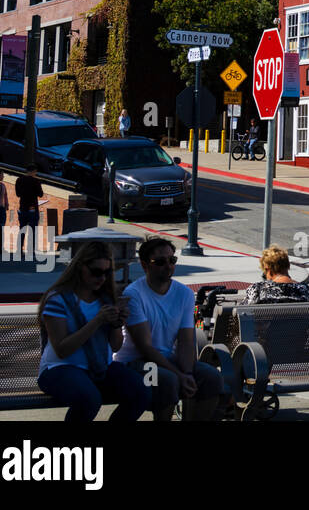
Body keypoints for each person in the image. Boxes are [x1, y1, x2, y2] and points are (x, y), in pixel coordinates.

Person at [36, 241, 149, 421]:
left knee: (141, 393)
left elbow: (116, 346)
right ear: (80, 268)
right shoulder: (58, 299)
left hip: (99, 368)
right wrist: (97, 321)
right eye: (96, 272)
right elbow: (62, 350)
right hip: (59, 369)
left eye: (107, 272)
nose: (101, 278)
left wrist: (116, 324)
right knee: (88, 399)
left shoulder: (106, 298)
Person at [115, 236, 223, 420]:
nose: (168, 265)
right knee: (167, 380)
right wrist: (179, 375)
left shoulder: (185, 294)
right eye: (160, 262)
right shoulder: (134, 294)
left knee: (211, 377)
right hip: (134, 362)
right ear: (144, 266)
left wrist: (188, 373)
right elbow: (145, 347)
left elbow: (187, 340)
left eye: (172, 260)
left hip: (167, 360)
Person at [241, 246, 309, 304]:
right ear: (288, 266)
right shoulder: (305, 290)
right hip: (300, 325)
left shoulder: (257, 289)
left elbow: (242, 313)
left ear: (268, 269)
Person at [16, 165, 45, 257]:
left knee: (22, 229)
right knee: (33, 230)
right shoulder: (36, 181)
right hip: (33, 208)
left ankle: (19, 250)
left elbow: (18, 194)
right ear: (34, 171)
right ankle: (31, 250)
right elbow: (40, 194)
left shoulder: (19, 180)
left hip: (23, 207)